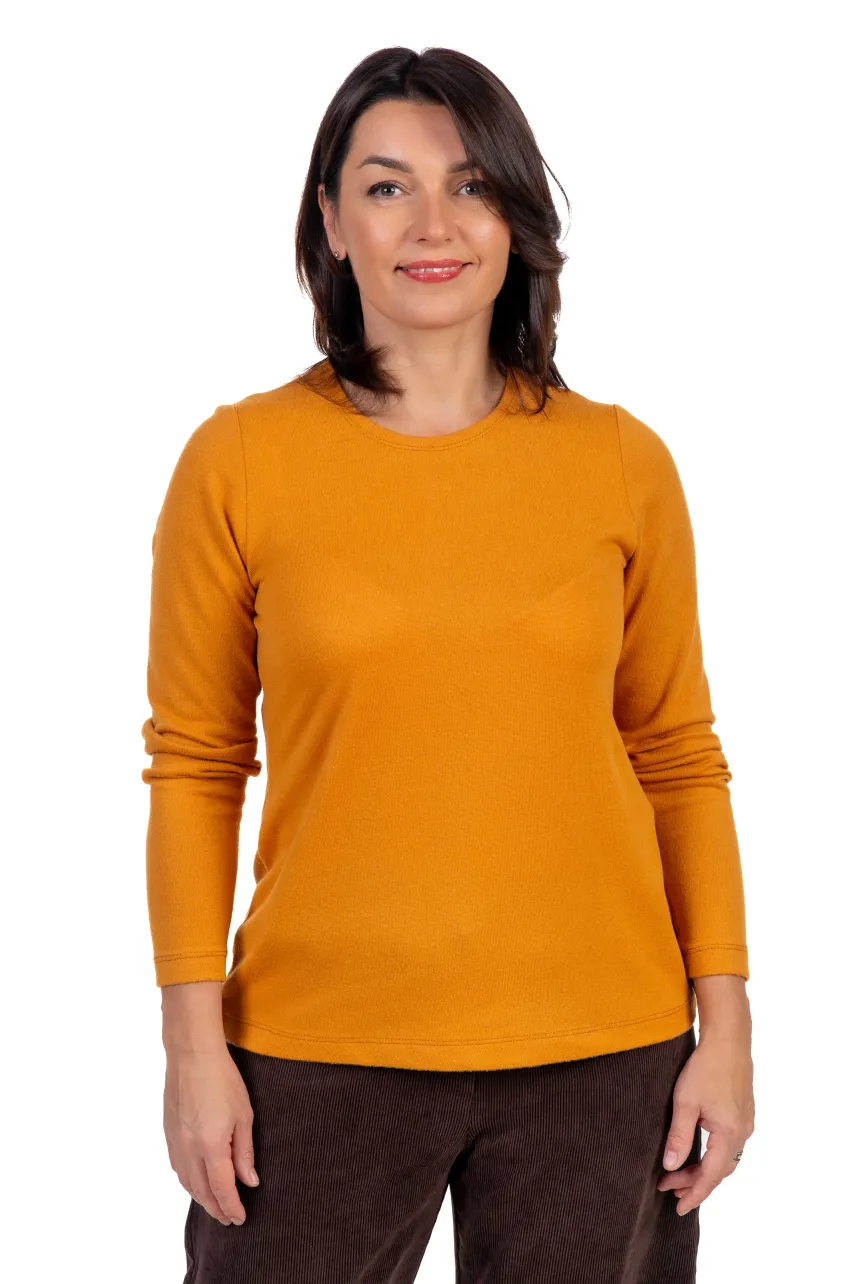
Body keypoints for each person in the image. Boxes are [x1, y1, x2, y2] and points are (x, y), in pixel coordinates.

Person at [141, 45, 754, 1284]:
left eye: (470, 185)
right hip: (317, 1049)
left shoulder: (620, 464)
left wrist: (726, 1023)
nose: (433, 224)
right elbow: (197, 765)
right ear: (330, 221)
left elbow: (677, 755)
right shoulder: (241, 460)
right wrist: (192, 1046)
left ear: (514, 217)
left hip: (605, 1054)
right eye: (387, 187)